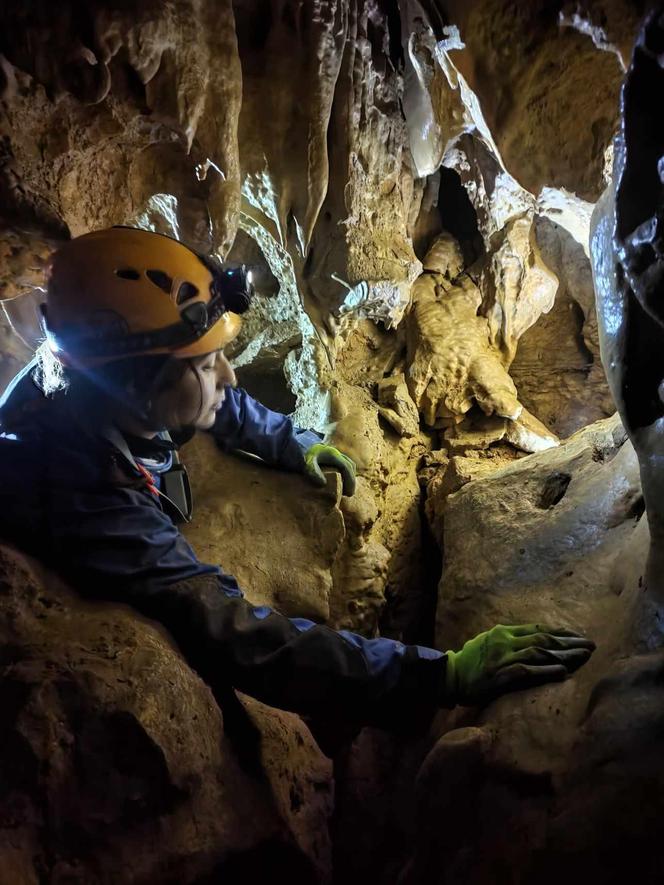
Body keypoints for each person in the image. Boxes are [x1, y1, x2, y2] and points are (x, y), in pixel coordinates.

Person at [0, 227, 595, 742]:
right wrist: (438, 675)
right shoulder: (87, 496)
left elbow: (216, 403)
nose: (227, 373)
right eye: (206, 364)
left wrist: (292, 441)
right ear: (133, 387)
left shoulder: (94, 386)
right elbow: (237, 636)